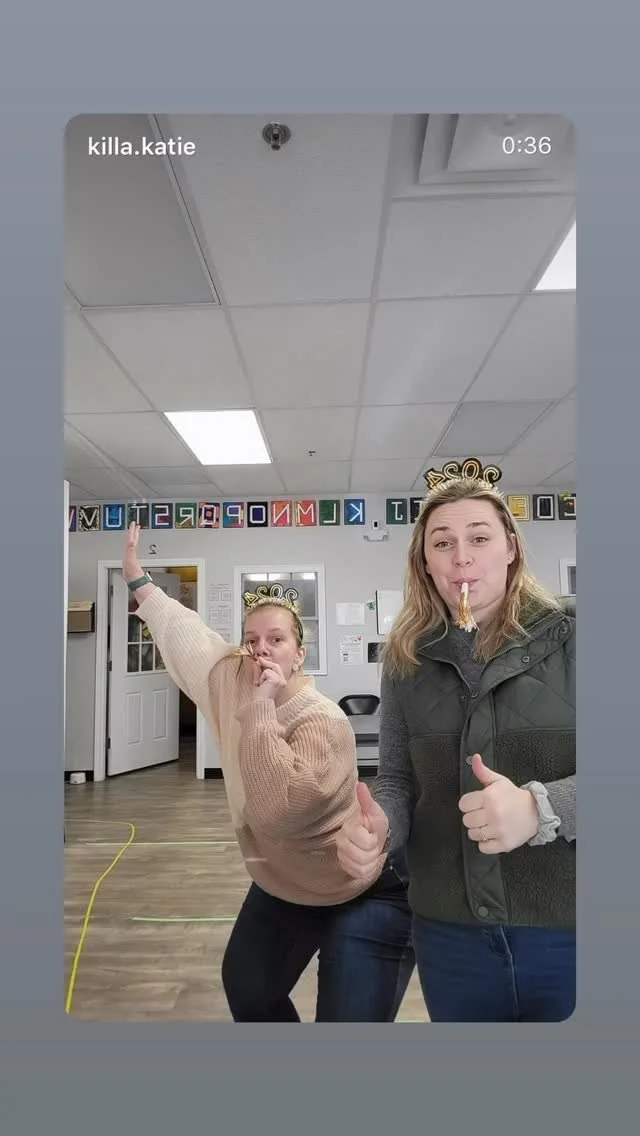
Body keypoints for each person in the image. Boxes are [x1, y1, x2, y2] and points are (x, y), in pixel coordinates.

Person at [122, 523, 414, 1022]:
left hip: (365, 884)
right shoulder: (232, 679)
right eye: (251, 640)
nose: (261, 649)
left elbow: (281, 809)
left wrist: (260, 708)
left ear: (299, 654)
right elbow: (184, 632)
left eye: (276, 639)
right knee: (248, 990)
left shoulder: (323, 720)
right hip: (287, 882)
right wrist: (137, 579)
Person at [335, 475, 575, 1023]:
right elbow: (398, 781)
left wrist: (541, 808)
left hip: (571, 930)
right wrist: (380, 829)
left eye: (479, 538)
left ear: (510, 548)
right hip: (449, 934)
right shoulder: (406, 657)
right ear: (425, 562)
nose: (461, 557)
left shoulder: (578, 635)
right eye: (442, 542)